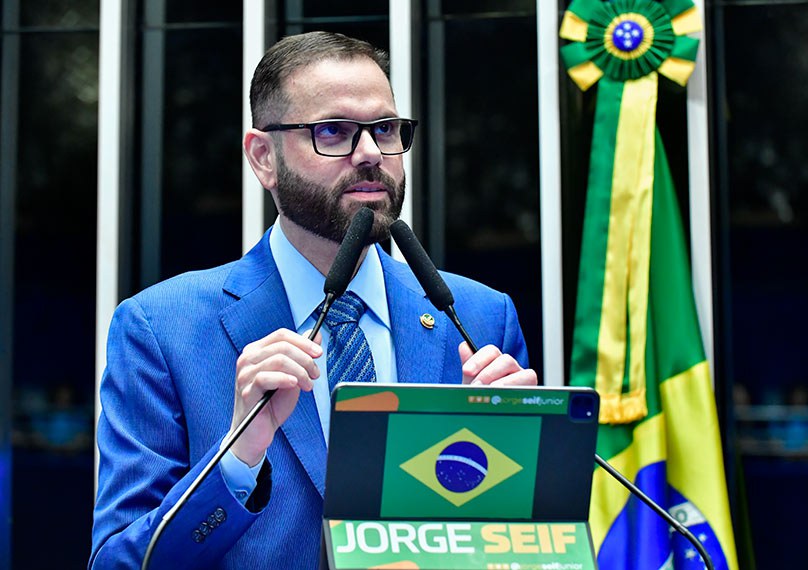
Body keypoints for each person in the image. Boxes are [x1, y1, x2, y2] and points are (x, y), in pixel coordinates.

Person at [89, 31, 537, 570]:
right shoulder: (161, 329)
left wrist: (516, 466)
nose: (370, 153)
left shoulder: (479, 317)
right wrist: (238, 458)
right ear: (264, 157)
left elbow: (520, 546)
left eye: (385, 129)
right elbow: (118, 562)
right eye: (333, 131)